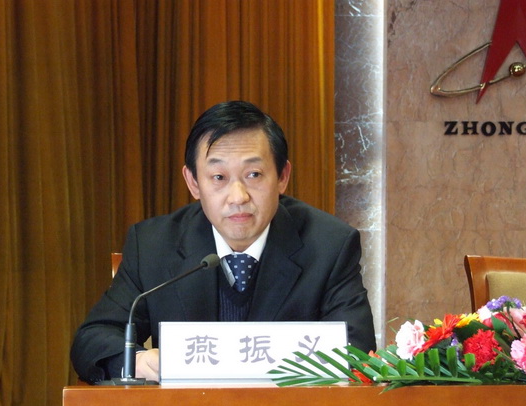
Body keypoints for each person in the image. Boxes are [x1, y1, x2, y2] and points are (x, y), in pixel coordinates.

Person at [70, 100, 377, 384]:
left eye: (254, 174)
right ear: (193, 182)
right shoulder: (154, 245)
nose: (238, 197)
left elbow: (356, 352)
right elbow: (94, 338)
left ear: (282, 176)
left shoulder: (329, 245)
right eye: (219, 177)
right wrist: (139, 361)